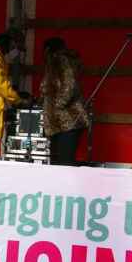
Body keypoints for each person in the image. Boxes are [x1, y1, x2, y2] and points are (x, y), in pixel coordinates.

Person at [39, 37, 88, 166]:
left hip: (68, 121)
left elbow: (69, 85)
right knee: (59, 163)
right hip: (61, 122)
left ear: (48, 50)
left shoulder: (60, 60)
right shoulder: (56, 62)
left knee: (64, 163)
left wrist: (57, 105)